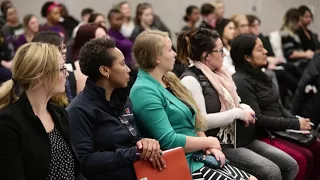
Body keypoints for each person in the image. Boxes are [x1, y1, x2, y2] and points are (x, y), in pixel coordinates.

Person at [130, 30, 257, 180]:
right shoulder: (144, 91)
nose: (175, 54)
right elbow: (168, 141)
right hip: (180, 164)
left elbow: (194, 121)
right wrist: (209, 141)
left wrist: (209, 147)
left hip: (197, 155)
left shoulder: (168, 79)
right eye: (170, 50)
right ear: (157, 57)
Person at [178, 28, 299, 180]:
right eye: (220, 50)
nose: (224, 54)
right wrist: (238, 113)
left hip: (238, 137)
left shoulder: (220, 73)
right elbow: (201, 122)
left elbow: (233, 101)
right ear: (206, 56)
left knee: (290, 164)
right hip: (217, 144)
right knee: (271, 171)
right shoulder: (191, 80)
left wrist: (243, 107)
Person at [67, 37, 165, 180]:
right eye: (122, 64)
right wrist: (134, 153)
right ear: (105, 70)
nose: (128, 70)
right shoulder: (78, 110)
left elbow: (133, 139)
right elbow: (86, 161)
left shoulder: (123, 99)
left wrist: (146, 143)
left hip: (141, 173)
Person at [231, 34, 320, 180]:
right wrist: (294, 123)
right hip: (263, 134)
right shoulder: (240, 80)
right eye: (260, 49)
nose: (266, 51)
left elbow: (278, 107)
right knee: (303, 158)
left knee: (316, 147)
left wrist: (298, 121)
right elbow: (258, 119)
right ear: (247, 57)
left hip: (277, 130)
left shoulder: (261, 75)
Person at [0, 42, 79, 179]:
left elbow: (74, 171)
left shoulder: (59, 113)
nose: (66, 74)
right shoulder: (8, 123)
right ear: (40, 75)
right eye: (61, 69)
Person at [32, 31, 76, 105]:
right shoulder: (40, 86)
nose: (64, 50)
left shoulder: (69, 76)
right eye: (60, 48)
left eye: (64, 47)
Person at [72, 23, 108, 94]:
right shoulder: (80, 68)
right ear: (88, 43)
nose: (108, 41)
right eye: (103, 38)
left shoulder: (107, 61)